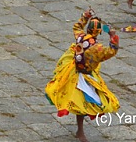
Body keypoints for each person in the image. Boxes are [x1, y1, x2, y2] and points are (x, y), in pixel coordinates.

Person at [45, 8, 120, 142]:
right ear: (99, 32)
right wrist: (112, 35)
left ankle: (80, 130)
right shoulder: (97, 49)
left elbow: (77, 26)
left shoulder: (80, 36)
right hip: (82, 77)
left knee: (79, 102)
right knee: (83, 103)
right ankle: (80, 131)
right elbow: (112, 50)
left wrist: (86, 16)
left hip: (72, 70)